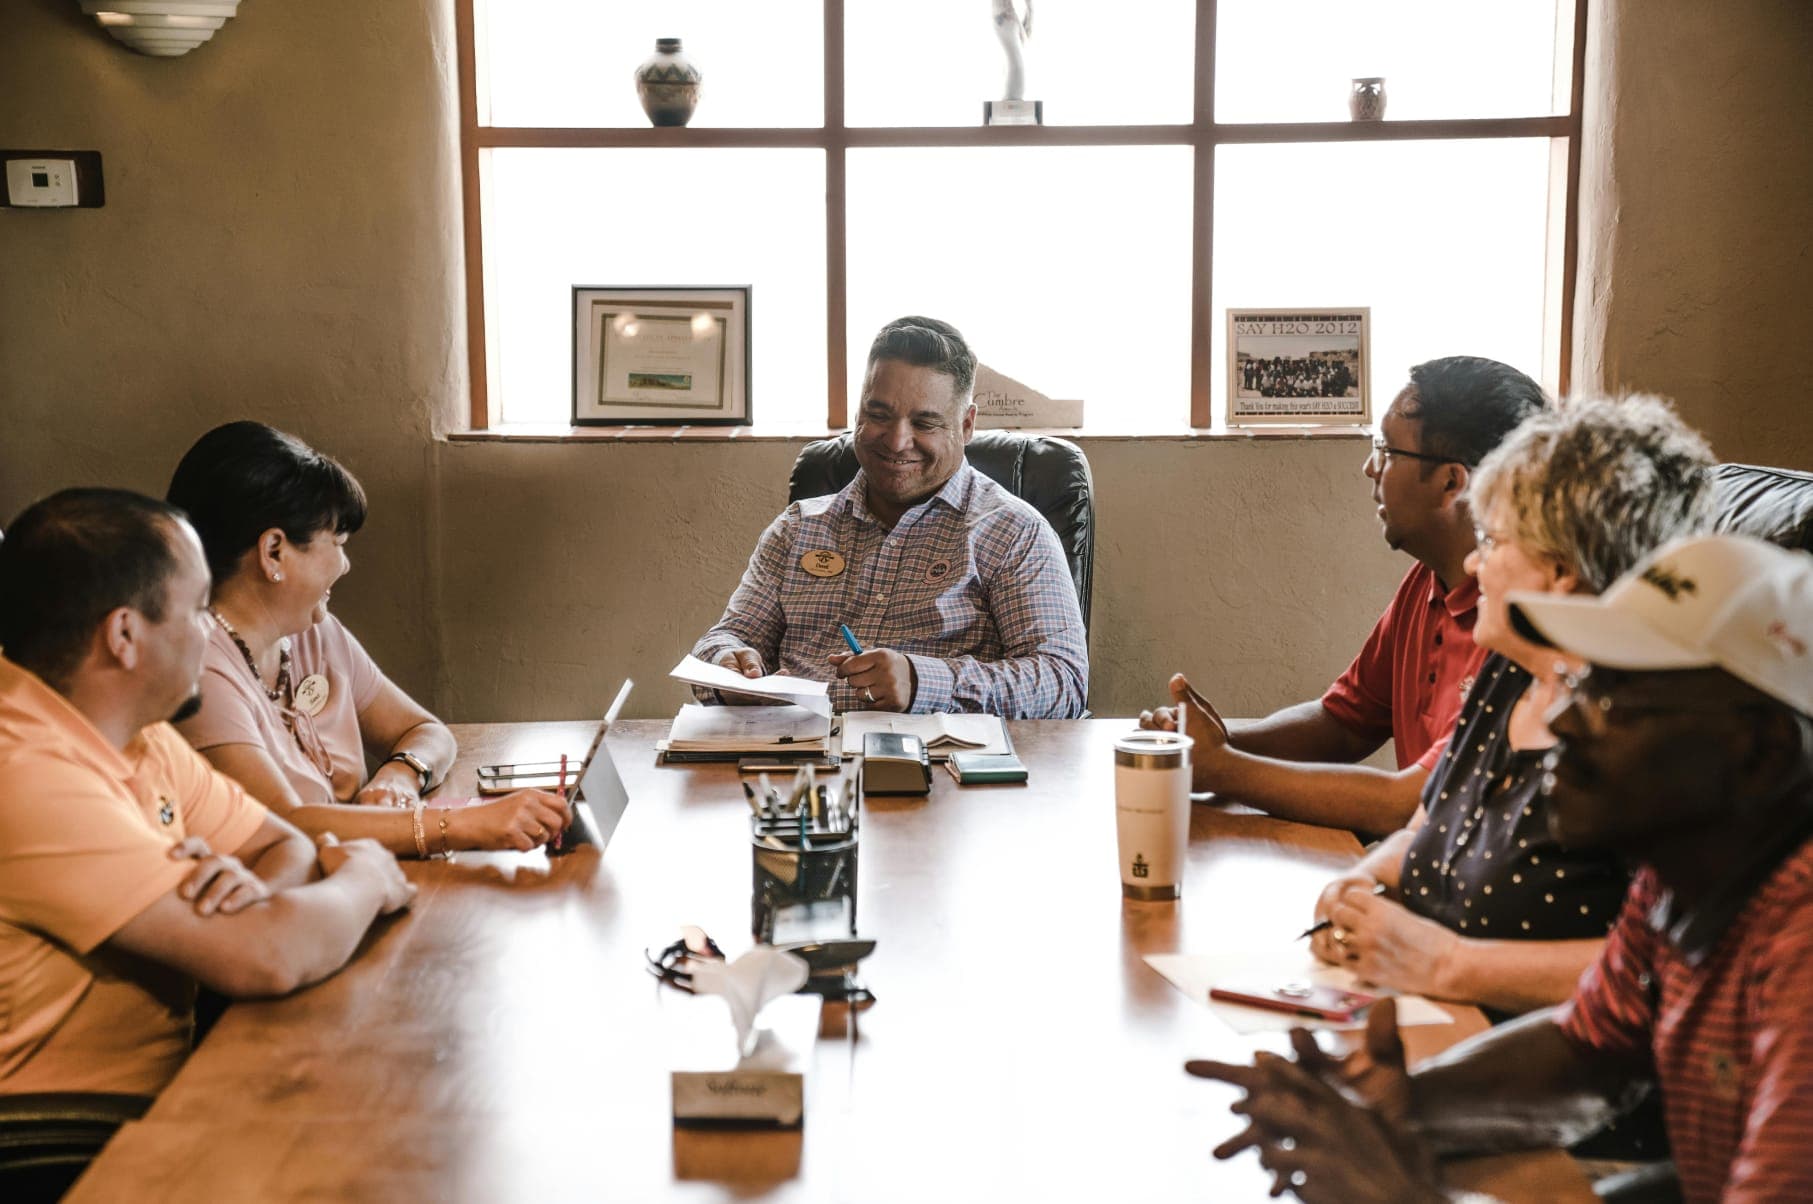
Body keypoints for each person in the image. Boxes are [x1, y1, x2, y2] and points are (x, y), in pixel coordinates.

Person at [1187, 534, 1813, 1204]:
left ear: (1761, 755)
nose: (1565, 720)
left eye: (1613, 698)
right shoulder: (1684, 878)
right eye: (1579, 680)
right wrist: (1395, 1102)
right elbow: (1587, 1048)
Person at [1308, 396, 1716, 1019]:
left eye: (1492, 540)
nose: (1474, 562)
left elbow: (1670, 964)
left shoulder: (1646, 734)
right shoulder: (1509, 672)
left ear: (1561, 571)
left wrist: (1445, 962)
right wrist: (1364, 881)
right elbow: (1428, 821)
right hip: (1429, 1016)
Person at [0, 489, 414, 1097]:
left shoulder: (135, 728)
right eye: (198, 610)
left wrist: (258, 897)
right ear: (124, 635)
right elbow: (268, 956)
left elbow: (285, 843)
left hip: (167, 1085)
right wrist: (370, 877)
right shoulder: (28, 773)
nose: (210, 632)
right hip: (56, 1134)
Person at [1140, 356, 1547, 833]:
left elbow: (1408, 805)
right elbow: (1343, 725)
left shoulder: (1518, 617)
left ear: (1450, 482)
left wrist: (1224, 768)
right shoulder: (1426, 581)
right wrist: (1209, 743)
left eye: (1388, 450)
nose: (1369, 468)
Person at [166, 422, 568, 856]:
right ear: (274, 552)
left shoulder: (312, 632)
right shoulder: (199, 668)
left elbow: (426, 730)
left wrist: (400, 773)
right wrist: (459, 825)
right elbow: (283, 825)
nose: (345, 565)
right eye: (337, 542)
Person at [690, 315, 1088, 717]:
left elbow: (1063, 683)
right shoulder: (797, 529)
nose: (897, 442)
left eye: (924, 422)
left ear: (966, 425)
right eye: (879, 415)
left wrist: (922, 682)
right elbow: (730, 636)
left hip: (937, 765)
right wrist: (726, 663)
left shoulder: (1014, 533)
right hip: (797, 763)